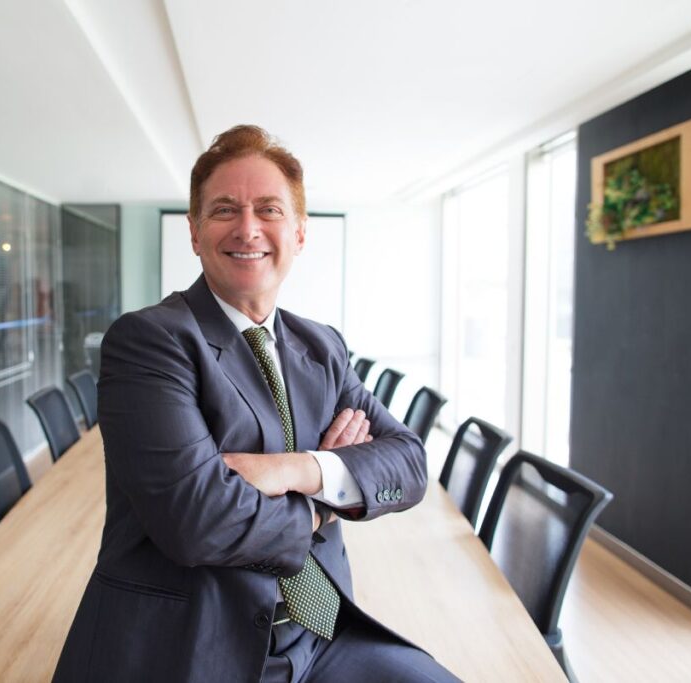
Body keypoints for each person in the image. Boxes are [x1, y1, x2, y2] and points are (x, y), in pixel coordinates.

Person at [52, 125, 460, 682]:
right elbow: (198, 520)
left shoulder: (323, 346)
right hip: (197, 647)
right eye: (224, 210)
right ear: (195, 233)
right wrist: (325, 500)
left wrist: (297, 469)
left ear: (298, 233)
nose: (248, 228)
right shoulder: (151, 341)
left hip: (321, 633)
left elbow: (408, 461)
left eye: (268, 209)